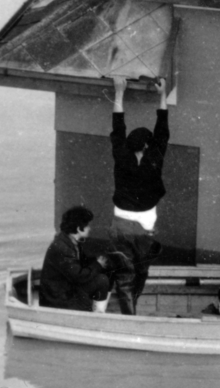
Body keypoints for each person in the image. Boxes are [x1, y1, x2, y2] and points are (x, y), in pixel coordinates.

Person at [110, 75, 170, 315]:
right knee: (141, 267)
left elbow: (118, 125)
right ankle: (135, 297)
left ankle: (128, 313)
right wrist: (162, 94)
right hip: (146, 219)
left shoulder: (121, 155)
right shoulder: (154, 158)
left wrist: (118, 92)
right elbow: (162, 128)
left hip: (121, 218)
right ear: (146, 147)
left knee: (124, 269)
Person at [39, 206, 112, 312]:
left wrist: (97, 262)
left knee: (102, 280)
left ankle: (98, 314)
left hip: (67, 288)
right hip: (57, 298)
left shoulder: (70, 241)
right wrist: (97, 264)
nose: (90, 228)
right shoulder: (62, 247)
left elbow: (78, 265)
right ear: (79, 228)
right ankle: (92, 315)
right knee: (85, 307)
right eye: (87, 226)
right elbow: (79, 276)